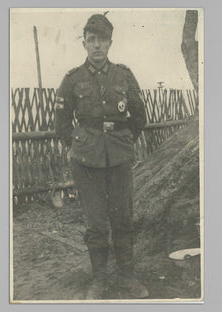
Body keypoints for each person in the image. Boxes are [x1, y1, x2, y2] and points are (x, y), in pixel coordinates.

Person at [55, 13, 148, 300]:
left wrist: (123, 140)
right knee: (96, 223)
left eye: (102, 40)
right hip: (86, 161)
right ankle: (99, 281)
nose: (97, 45)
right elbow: (61, 122)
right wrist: (81, 144)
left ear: (110, 42)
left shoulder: (124, 75)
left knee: (122, 218)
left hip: (119, 158)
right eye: (91, 40)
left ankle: (127, 276)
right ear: (84, 43)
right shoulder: (72, 79)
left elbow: (140, 116)